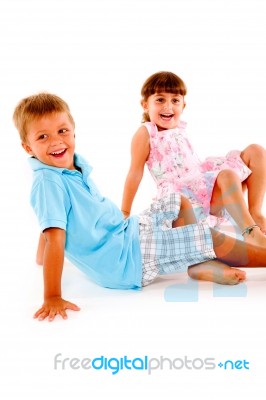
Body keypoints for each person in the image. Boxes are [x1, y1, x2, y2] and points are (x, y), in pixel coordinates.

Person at [14, 92, 266, 322]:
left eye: (62, 131)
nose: (56, 141)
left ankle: (196, 262)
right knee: (207, 235)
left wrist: (40, 258)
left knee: (176, 201)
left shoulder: (71, 168)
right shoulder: (48, 181)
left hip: (127, 232)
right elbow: (54, 237)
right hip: (124, 260)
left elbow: (49, 220)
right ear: (28, 147)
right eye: (42, 137)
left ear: (73, 131)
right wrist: (52, 297)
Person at [121, 71, 266, 247]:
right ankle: (249, 232)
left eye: (175, 100)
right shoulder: (146, 133)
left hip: (206, 188)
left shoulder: (180, 128)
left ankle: (254, 213)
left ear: (183, 105)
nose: (168, 106)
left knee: (256, 151)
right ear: (145, 105)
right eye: (160, 100)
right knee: (227, 175)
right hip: (186, 202)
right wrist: (125, 211)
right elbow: (135, 173)